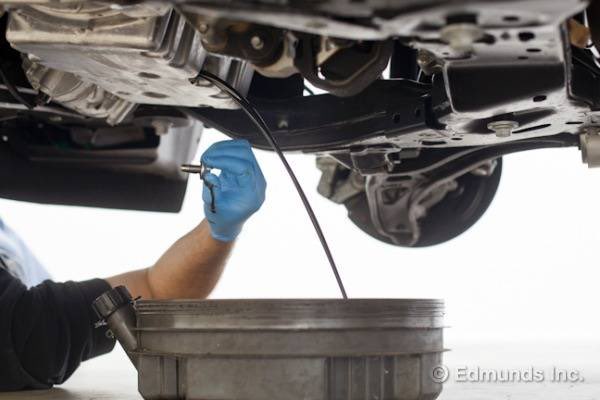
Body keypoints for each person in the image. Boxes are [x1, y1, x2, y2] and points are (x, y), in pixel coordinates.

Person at [0, 139, 266, 391]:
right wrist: (218, 233)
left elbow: (150, 289)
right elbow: (153, 291)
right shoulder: (25, 330)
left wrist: (218, 231)